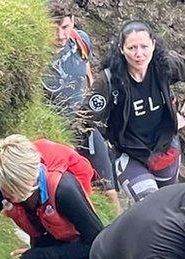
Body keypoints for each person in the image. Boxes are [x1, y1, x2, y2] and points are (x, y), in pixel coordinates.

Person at [79, 20, 185, 204]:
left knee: (171, 204)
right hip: (129, 154)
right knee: (152, 205)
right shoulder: (109, 81)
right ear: (121, 49)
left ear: (153, 45)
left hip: (165, 147)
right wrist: (99, 167)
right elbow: (84, 122)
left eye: (144, 46)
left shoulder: (165, 66)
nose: (139, 54)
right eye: (132, 48)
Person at [41, 0, 121, 213]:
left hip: (85, 122)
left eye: (65, 27)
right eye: (53, 28)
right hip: (58, 131)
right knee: (70, 187)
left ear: (73, 23)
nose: (59, 35)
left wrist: (96, 107)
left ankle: (119, 228)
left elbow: (86, 72)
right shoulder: (37, 54)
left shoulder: (80, 41)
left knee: (109, 187)